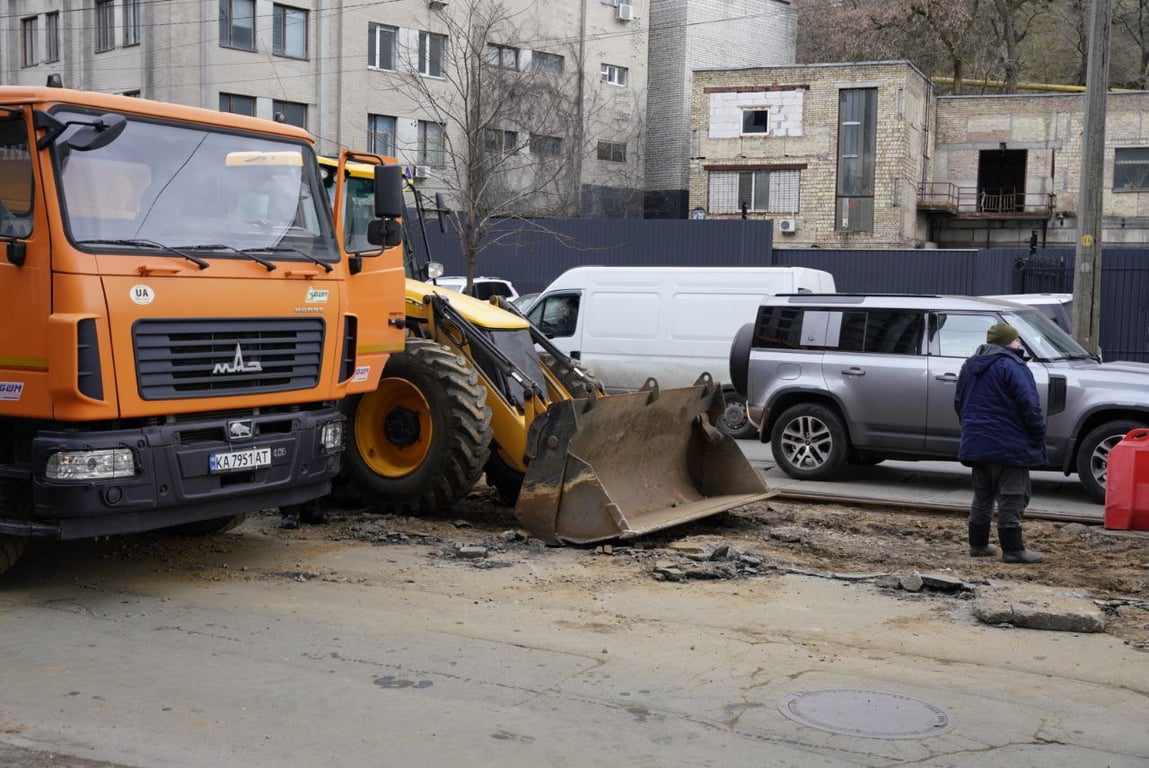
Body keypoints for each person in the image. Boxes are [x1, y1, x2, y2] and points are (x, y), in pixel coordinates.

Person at [954, 322, 1046, 563]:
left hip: (977, 442)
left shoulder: (970, 365)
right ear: (1010, 342)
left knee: (983, 494)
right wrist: (1037, 433)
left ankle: (978, 545)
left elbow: (959, 403)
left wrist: (972, 431)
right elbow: (1029, 404)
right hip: (1009, 443)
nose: (1019, 344)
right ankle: (1013, 550)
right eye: (1017, 340)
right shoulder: (1013, 365)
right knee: (1013, 494)